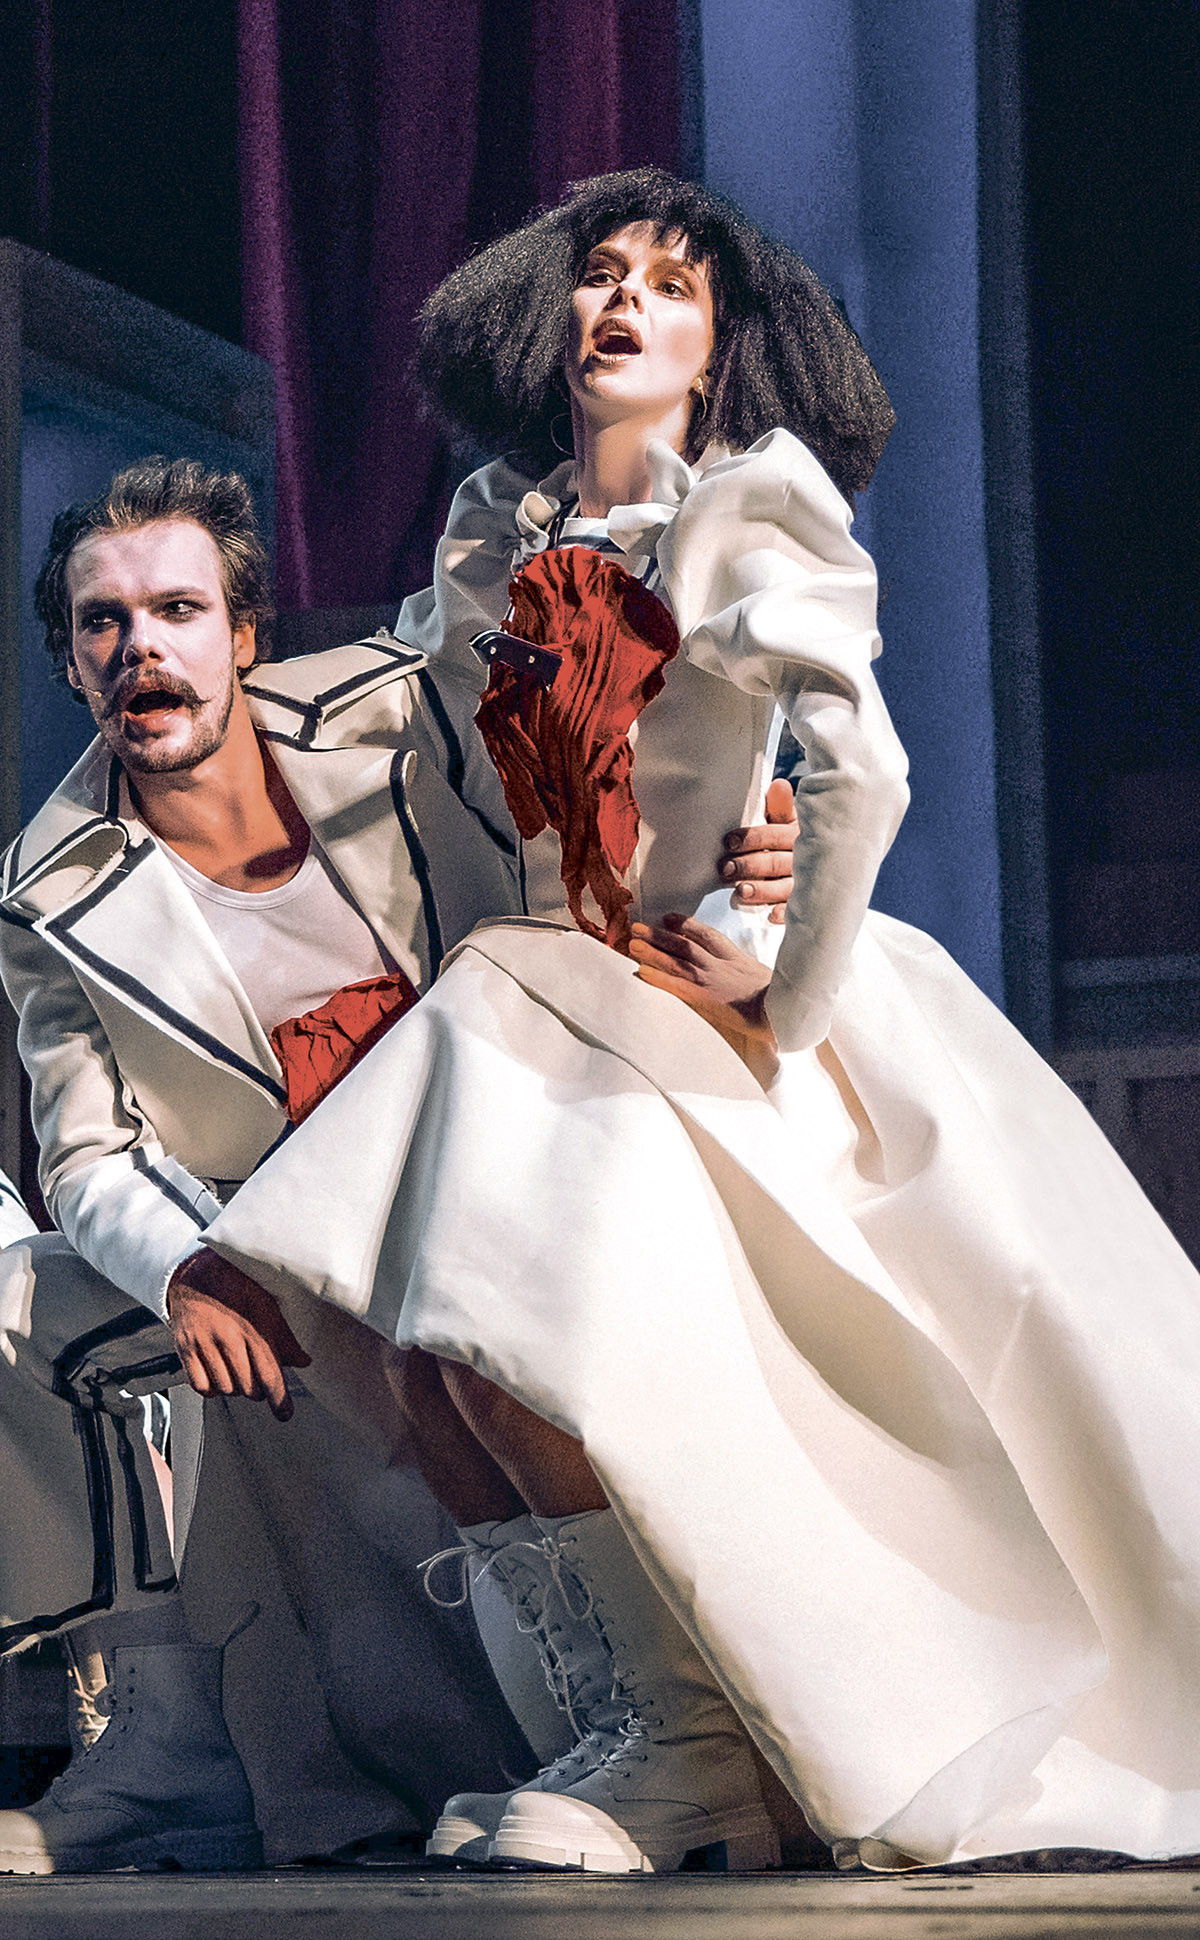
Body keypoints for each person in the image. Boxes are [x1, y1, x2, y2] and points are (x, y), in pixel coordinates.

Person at [202, 165, 1200, 1878]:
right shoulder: (495, 529)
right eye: (602, 273)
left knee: (528, 1358)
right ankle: (624, 1722)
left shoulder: (746, 503)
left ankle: (688, 1756)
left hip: (675, 999)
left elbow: (864, 767)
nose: (624, 303)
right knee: (425, 1364)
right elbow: (406, 733)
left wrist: (786, 990)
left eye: (672, 285)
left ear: (721, 344)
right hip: (528, 991)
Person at [0, 454, 794, 1873]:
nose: (140, 649)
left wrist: (758, 844)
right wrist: (188, 1268)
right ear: (70, 661)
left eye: (177, 610)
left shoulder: (392, 705)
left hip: (532, 1160)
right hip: (300, 1248)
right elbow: (87, 1155)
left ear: (244, 634)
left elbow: (590, 749)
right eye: (101, 622)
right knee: (26, 1297)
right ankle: (171, 1748)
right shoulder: (47, 890)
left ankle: (673, 1734)